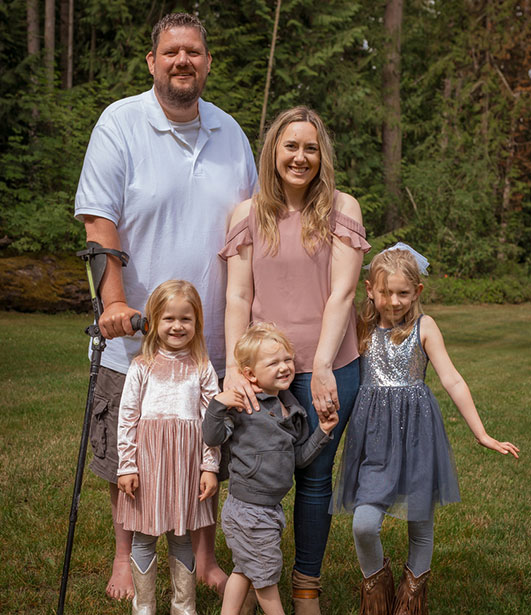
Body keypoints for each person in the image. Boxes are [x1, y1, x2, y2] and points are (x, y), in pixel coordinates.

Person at [74, 12, 257, 600]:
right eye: (172, 51)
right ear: (152, 62)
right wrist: (114, 301)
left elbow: (252, 228)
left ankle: (203, 557)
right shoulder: (119, 124)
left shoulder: (230, 134)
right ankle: (127, 557)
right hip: (137, 337)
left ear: (207, 63)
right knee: (130, 448)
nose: (184, 61)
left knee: (208, 451)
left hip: (214, 337)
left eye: (195, 52)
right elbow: (99, 223)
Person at [219, 106, 370, 613]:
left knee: (313, 474)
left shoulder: (342, 208)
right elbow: (238, 298)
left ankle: (306, 586)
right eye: (290, 146)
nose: (299, 157)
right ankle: (252, 568)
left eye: (310, 148)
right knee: (255, 472)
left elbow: (343, 294)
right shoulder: (246, 213)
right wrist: (234, 370)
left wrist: (323, 363)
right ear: (273, 151)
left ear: (321, 155)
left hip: (330, 365)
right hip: (263, 372)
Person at [330, 245, 520, 615]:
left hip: (418, 434)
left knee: (420, 523)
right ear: (369, 289)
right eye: (386, 292)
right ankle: (377, 589)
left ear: (417, 292)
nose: (394, 301)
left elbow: (453, 380)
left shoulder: (425, 326)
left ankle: (410, 600)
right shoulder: (361, 326)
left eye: (403, 293)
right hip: (373, 441)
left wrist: (481, 433)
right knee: (364, 525)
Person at [203, 323, 339, 615]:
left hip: (270, 509)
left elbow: (298, 459)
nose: (284, 367)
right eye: (273, 362)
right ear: (250, 374)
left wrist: (323, 432)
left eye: (287, 359)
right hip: (247, 511)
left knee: (246, 570)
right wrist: (217, 404)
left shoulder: (290, 410)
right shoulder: (241, 406)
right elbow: (212, 438)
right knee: (266, 581)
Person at [117, 280, 220, 615]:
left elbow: (212, 424)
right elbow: (127, 418)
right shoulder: (141, 366)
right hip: (147, 464)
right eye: (169, 319)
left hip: (186, 465)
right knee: (144, 535)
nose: (177, 326)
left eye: (186, 319)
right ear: (154, 321)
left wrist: (209, 466)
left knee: (181, 535)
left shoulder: (203, 367)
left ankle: (183, 606)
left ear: (197, 323)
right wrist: (127, 465)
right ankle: (144, 605)